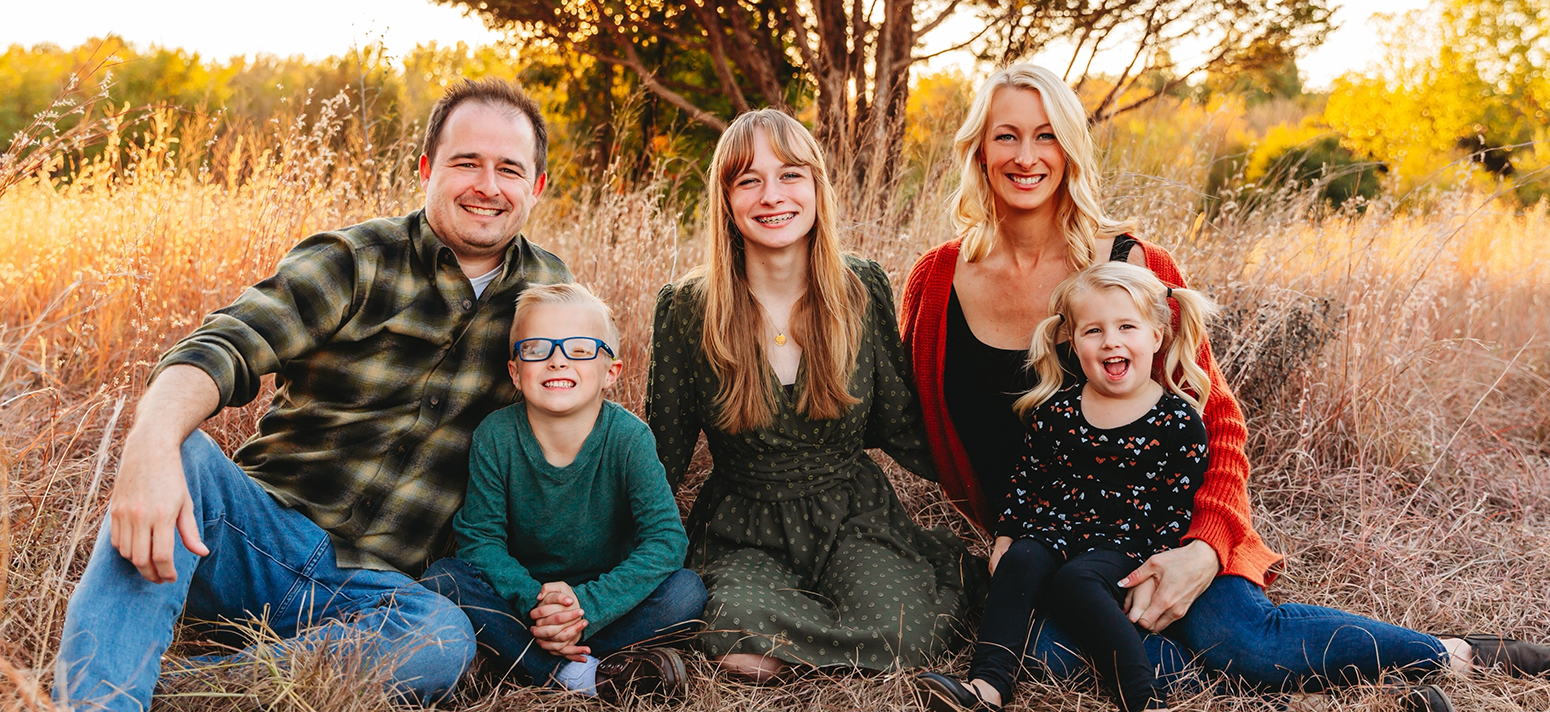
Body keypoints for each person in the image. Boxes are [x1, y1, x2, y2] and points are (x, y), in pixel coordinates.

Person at [898, 63, 1550, 711]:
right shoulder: (935, 285)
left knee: (1236, 638)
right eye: (1006, 136)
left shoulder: (1136, 269)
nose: (1027, 156)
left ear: (1070, 148)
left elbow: (1220, 423)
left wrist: (1205, 550)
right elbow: (906, 420)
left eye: (1046, 135)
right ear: (978, 147)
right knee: (1045, 657)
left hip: (1171, 524)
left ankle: (1456, 656)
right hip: (1054, 547)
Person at [53, 78, 571, 712]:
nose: (487, 186)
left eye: (509, 169)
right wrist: (149, 446)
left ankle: (187, 691)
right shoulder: (355, 259)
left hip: (373, 588)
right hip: (252, 539)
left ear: (536, 186)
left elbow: (565, 434)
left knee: (440, 638)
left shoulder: (548, 296)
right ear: (426, 169)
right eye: (467, 162)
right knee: (182, 455)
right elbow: (223, 345)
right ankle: (98, 703)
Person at [646, 108, 975, 680]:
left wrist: (1003, 495)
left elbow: (902, 423)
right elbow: (661, 455)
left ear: (818, 187)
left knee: (904, 633)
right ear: (727, 199)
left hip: (852, 511)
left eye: (791, 175)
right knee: (733, 639)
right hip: (742, 527)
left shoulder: (859, 288)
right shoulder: (687, 307)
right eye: (749, 180)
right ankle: (827, 644)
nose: (772, 195)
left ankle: (809, 644)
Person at [918, 262, 1218, 712]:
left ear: (1156, 336)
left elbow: (1175, 507)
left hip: (1122, 544)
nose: (1111, 340)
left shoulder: (1177, 422)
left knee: (1077, 582)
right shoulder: (1055, 413)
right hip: (1054, 529)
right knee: (1020, 559)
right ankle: (987, 688)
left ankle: (1142, 699)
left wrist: (1157, 565)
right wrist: (1006, 534)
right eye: (1093, 330)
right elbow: (1027, 482)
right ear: (1074, 343)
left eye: (1126, 327)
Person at [421, 283, 706, 701]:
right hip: (523, 600)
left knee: (685, 593)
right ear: (516, 372)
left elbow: (665, 540)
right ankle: (585, 676)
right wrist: (538, 603)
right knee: (444, 580)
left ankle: (513, 661)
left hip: (608, 602)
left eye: (579, 349)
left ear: (611, 372)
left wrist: (584, 609)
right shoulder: (496, 436)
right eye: (537, 349)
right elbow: (480, 541)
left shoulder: (629, 439)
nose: (557, 361)